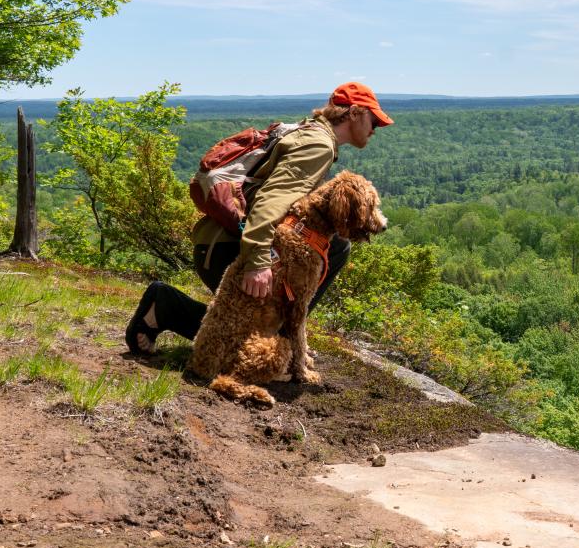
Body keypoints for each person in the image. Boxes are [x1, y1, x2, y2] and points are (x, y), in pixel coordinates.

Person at [124, 82, 393, 355]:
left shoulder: (308, 132)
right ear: (355, 113)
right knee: (260, 331)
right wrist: (257, 262)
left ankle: (284, 334)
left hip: (221, 241)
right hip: (229, 249)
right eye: (374, 120)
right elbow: (270, 202)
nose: (376, 128)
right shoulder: (318, 146)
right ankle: (167, 307)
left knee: (332, 245)